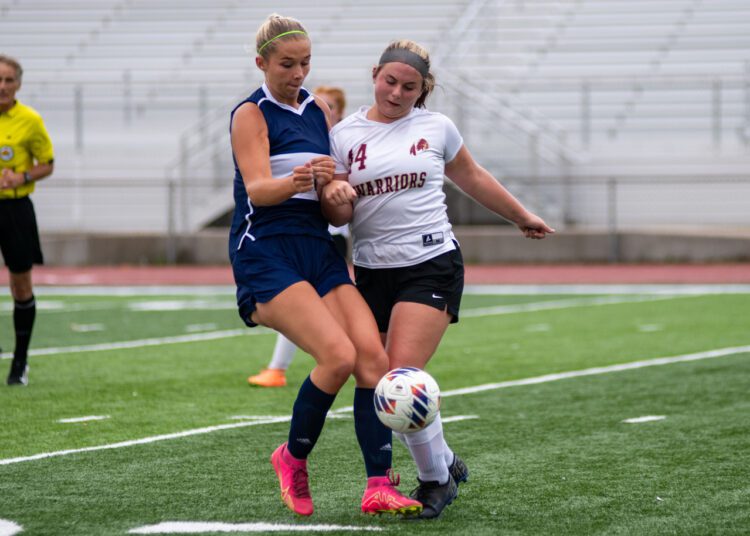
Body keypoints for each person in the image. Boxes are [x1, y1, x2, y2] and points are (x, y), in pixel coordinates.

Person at [321, 39, 555, 519]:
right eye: (390, 81)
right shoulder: (344, 134)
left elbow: (473, 176)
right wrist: (335, 193)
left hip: (430, 262)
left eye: (409, 87)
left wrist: (521, 216)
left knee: (400, 378)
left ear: (422, 90)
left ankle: (435, 480)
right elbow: (337, 213)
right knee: (380, 379)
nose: (396, 93)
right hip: (371, 270)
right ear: (375, 75)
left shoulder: (436, 127)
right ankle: (445, 459)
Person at [228, 16, 421, 517]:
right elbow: (258, 190)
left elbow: (334, 200)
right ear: (262, 63)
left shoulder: (317, 110)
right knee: (337, 356)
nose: (298, 73)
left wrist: (337, 191)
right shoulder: (250, 113)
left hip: (318, 246)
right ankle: (291, 459)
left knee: (373, 360)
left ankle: (377, 485)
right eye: (287, 64)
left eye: (305, 63)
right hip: (267, 248)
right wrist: (299, 180)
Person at [247, 85, 349, 389]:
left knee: (317, 310)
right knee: (303, 306)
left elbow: (342, 197)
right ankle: (278, 367)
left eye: (330, 105)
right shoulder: (297, 128)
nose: (320, 109)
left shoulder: (340, 138)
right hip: (297, 237)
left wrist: (331, 186)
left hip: (328, 238)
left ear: (339, 111)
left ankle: (280, 366)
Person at [0, 55, 54, 386]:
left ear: (18, 85)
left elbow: (47, 163)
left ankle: (20, 360)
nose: (2, 86)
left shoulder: (30, 120)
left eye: (8, 80)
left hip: (15, 209)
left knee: (21, 283)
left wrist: (21, 177)